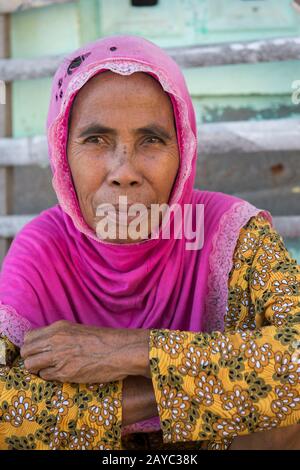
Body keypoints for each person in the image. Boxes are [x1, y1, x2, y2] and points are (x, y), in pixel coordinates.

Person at [0, 35, 299, 451]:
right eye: (96, 140)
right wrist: (173, 390)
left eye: (152, 140)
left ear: (185, 150)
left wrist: (130, 350)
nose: (124, 172)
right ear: (62, 154)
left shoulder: (230, 233)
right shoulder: (41, 249)